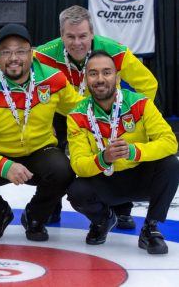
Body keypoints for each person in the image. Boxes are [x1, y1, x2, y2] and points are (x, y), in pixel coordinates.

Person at [0, 24, 82, 242]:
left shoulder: (54, 79)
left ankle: (35, 216)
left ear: (31, 53)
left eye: (21, 51)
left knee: (64, 170)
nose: (14, 58)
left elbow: (81, 111)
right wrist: (4, 166)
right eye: (6, 51)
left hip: (40, 151)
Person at [35, 5, 158, 228]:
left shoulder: (115, 51)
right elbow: (28, 89)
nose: (77, 43)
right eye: (70, 37)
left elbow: (149, 84)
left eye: (83, 36)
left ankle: (122, 209)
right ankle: (51, 207)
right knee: (52, 157)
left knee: (118, 149)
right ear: (61, 35)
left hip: (108, 112)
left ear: (92, 32)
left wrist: (134, 115)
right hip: (64, 114)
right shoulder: (42, 55)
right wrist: (41, 121)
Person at [67, 50, 178, 254]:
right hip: (106, 179)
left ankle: (150, 229)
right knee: (77, 191)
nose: (100, 79)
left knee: (171, 164)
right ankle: (104, 220)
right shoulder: (76, 114)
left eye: (107, 72)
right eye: (93, 73)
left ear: (118, 77)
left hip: (139, 176)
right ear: (85, 79)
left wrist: (134, 151)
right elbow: (78, 164)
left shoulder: (140, 103)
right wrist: (104, 158)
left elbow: (170, 142)